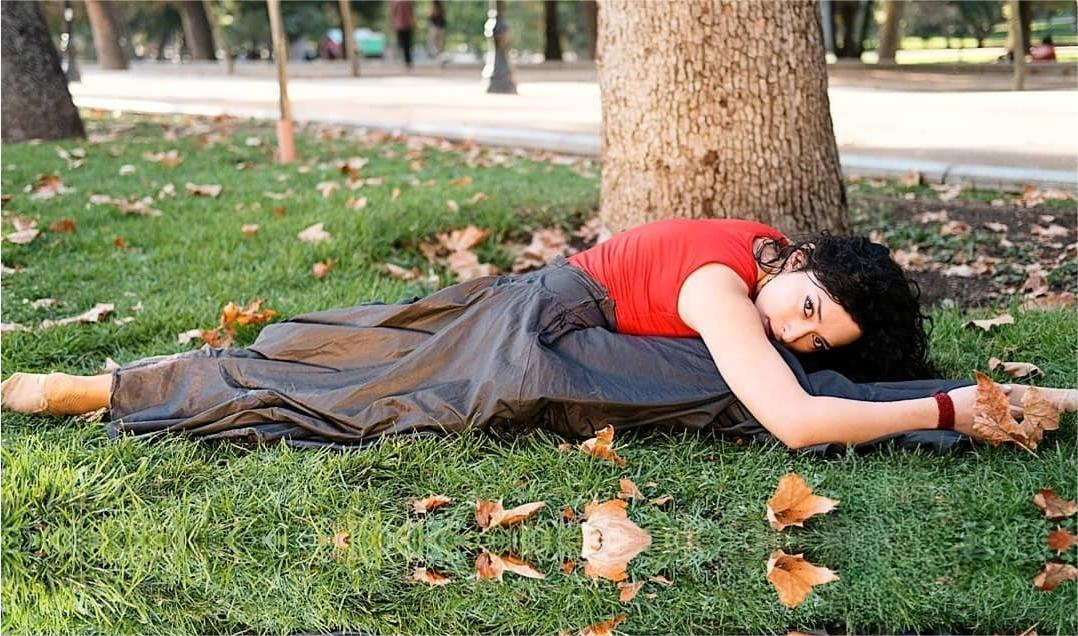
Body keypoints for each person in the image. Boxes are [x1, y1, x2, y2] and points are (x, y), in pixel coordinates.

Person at [2, 218, 1075, 453]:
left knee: (327, 361)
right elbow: (794, 420)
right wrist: (945, 409)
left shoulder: (755, 254)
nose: (792, 330)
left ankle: (103, 384)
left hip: (526, 307)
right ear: (791, 263)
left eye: (813, 334)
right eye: (802, 308)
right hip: (538, 336)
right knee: (345, 393)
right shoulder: (721, 289)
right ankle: (95, 391)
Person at [389, 0, 416, 70]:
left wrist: (392, 24)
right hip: (407, 25)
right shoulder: (408, 2)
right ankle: (407, 61)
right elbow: (411, 13)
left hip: (399, 25)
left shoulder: (395, 2)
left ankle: (405, 61)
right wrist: (413, 23)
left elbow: (393, 14)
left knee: (402, 44)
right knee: (407, 44)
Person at [427, 0, 447, 67]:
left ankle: (440, 59)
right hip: (441, 29)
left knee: (434, 45)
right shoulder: (442, 9)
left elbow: (430, 18)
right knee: (439, 46)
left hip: (435, 29)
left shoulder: (432, 10)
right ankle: (440, 60)